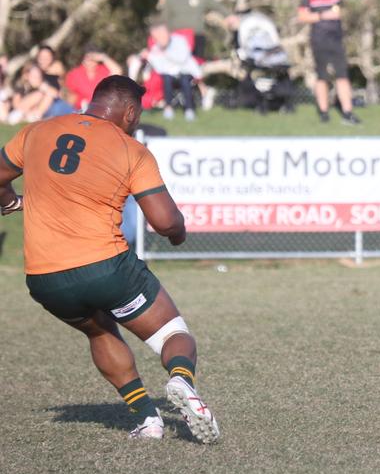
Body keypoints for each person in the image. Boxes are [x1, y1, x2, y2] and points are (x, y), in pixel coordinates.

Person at [0, 75, 219, 442]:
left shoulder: (37, 131)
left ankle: (148, 422)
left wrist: (9, 200)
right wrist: (179, 234)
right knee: (173, 333)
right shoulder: (130, 149)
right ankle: (181, 381)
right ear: (130, 112)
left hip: (45, 278)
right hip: (106, 267)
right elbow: (165, 221)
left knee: (99, 330)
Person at [159, 0, 239, 109]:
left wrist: (228, 15)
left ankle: (202, 93)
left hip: (196, 37)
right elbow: (165, 18)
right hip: (176, 40)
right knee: (175, 69)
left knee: (195, 67)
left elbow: (216, 6)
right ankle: (187, 96)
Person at [297, 0, 362, 124]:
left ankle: (347, 112)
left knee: (342, 75)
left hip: (336, 39)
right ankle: (323, 112)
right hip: (319, 39)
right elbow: (302, 16)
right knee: (322, 76)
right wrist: (322, 16)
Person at [142, 23, 202, 121]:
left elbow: (182, 59)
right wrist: (149, 56)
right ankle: (168, 108)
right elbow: (159, 66)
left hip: (186, 71)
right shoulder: (157, 47)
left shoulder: (180, 41)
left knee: (185, 80)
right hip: (169, 75)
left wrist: (165, 53)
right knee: (166, 79)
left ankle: (189, 109)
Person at [7, 62, 75, 123]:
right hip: (20, 111)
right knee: (39, 94)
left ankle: (35, 116)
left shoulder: (43, 85)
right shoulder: (21, 86)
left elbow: (56, 94)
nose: (37, 79)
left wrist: (45, 87)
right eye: (34, 76)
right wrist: (26, 112)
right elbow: (16, 104)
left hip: (37, 112)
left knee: (49, 95)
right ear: (26, 76)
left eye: (38, 76)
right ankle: (30, 116)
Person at [64, 46, 123, 110]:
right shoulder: (74, 73)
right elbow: (69, 95)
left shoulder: (103, 70)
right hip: (79, 110)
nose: (90, 62)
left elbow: (118, 71)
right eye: (87, 59)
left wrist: (104, 57)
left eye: (93, 59)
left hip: (101, 108)